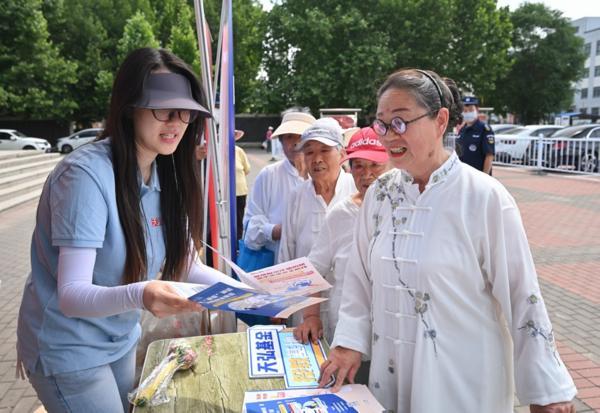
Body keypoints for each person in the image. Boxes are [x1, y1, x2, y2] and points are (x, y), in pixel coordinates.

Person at [319, 69, 576, 413]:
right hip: (391, 373)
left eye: (400, 122)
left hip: (463, 380)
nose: (389, 136)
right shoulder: (379, 195)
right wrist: (348, 343)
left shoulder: (483, 196)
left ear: (440, 121)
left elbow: (521, 294)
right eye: (382, 124)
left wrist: (547, 391)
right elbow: (359, 280)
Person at [15, 48, 246, 413]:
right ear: (129, 108)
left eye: (185, 112)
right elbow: (71, 295)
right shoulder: (85, 176)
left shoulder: (166, 172)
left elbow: (187, 265)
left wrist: (251, 295)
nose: (176, 122)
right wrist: (143, 293)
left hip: (121, 337)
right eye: (164, 110)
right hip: (69, 347)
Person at [294, 126, 389, 348]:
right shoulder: (341, 214)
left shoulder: (405, 210)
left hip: (391, 334)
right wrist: (311, 316)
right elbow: (314, 269)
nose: (367, 174)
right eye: (359, 166)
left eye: (375, 165)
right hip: (347, 334)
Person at [278, 117, 356, 272]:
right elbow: (286, 251)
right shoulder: (297, 196)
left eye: (325, 150)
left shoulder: (356, 189)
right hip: (306, 285)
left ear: (342, 154)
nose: (317, 159)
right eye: (309, 152)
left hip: (347, 287)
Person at [242, 111, 315, 263]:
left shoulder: (326, 174)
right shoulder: (269, 175)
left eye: (301, 137)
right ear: (281, 142)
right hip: (277, 263)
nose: (296, 143)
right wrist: (277, 231)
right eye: (289, 137)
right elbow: (250, 228)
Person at [456, 95, 495, 174]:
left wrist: (484, 177)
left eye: (471, 110)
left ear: (477, 110)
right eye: (465, 110)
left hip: (478, 175)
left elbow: (489, 155)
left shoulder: (484, 129)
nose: (467, 113)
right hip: (464, 175)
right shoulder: (462, 129)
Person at [234, 129, 250, 240]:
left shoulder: (239, 151)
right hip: (225, 192)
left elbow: (247, 169)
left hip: (240, 191)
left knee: (239, 218)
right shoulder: (219, 152)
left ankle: (238, 241)